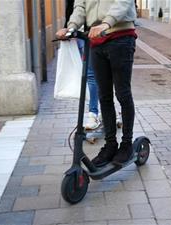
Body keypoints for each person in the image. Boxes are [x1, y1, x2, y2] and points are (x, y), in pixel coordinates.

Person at [56, 0, 137, 167]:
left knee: (122, 93)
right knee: (104, 96)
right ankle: (110, 145)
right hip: (95, 40)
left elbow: (124, 2)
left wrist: (107, 22)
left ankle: (127, 144)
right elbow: (80, 6)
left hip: (120, 35)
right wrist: (71, 27)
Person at [63, 0, 100, 130]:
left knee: (106, 76)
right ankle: (94, 113)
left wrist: (107, 23)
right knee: (91, 75)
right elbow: (75, 8)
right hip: (85, 34)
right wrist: (69, 28)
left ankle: (107, 112)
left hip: (110, 34)